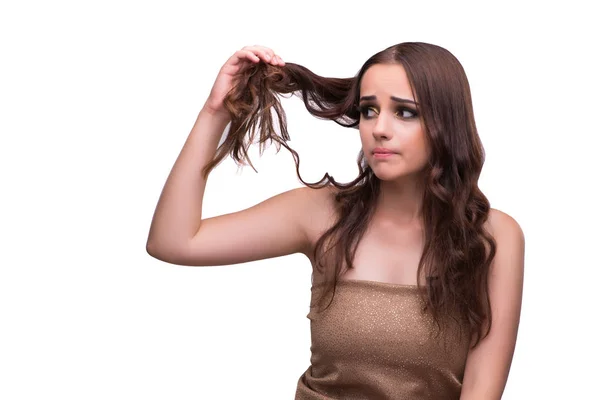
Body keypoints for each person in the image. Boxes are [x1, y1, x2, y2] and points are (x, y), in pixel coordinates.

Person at [146, 43, 525, 400]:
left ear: (446, 122)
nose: (379, 128)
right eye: (369, 110)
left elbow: (481, 391)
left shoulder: (494, 237)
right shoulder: (321, 215)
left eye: (405, 112)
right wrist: (216, 113)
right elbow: (173, 241)